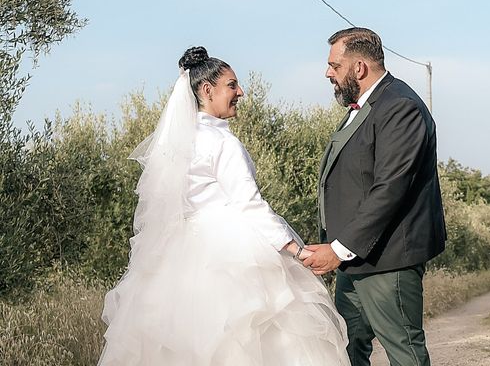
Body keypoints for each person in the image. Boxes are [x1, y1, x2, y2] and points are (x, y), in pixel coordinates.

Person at [98, 47, 349, 365]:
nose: (240, 91)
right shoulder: (222, 142)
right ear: (207, 90)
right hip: (232, 254)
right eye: (232, 85)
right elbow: (251, 206)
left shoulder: (173, 145)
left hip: (180, 258)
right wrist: (298, 251)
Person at [303, 28, 447, 366]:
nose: (328, 73)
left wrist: (337, 250)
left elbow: (391, 187)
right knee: (346, 347)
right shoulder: (365, 107)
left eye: (334, 66)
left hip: (389, 260)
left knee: (404, 353)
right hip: (355, 260)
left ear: (359, 68)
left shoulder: (400, 107)